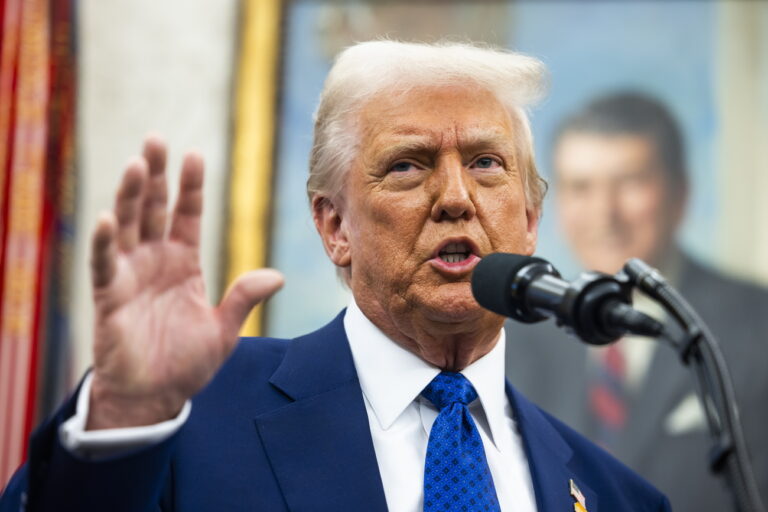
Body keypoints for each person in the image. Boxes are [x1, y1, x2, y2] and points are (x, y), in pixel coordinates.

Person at [0, 42, 670, 512]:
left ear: (529, 218)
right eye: (408, 165)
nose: (457, 197)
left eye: (487, 164)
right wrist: (123, 420)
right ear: (334, 227)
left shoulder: (616, 495)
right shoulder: (186, 417)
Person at [505, 92, 768, 512]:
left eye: (630, 183)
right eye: (580, 187)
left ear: (680, 194)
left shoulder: (758, 323)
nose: (604, 213)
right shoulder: (516, 340)